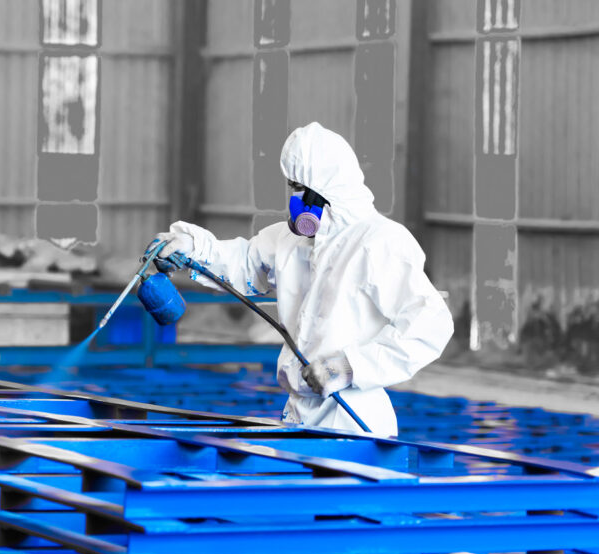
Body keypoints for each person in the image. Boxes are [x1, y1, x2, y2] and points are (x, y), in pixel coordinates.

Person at [149, 122, 453, 435]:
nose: (293, 199)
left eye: (297, 188)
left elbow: (430, 325)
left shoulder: (378, 242)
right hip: (298, 413)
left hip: (353, 420)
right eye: (291, 186)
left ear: (322, 192)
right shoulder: (291, 240)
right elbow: (244, 262)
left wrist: (347, 367)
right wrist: (192, 247)